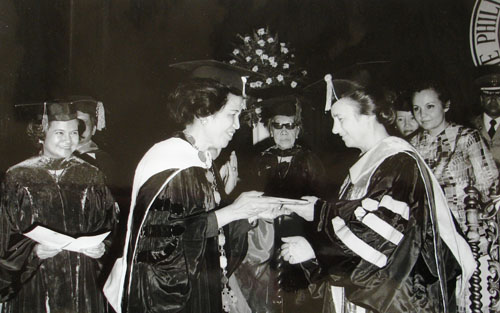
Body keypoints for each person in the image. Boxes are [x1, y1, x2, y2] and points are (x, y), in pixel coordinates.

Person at [279, 81, 475, 313]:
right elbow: (360, 216)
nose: (334, 129)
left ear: (368, 116)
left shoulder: (400, 162)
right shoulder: (373, 163)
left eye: (340, 119)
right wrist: (319, 210)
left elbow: (381, 233)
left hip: (400, 297)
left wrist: (316, 249)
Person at [103, 78, 282, 313]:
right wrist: (232, 211)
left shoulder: (201, 161)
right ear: (204, 114)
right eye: (232, 114)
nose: (237, 125)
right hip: (180, 301)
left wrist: (247, 214)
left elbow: (210, 235)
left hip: (202, 288)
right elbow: (161, 244)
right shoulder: (171, 163)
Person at [0, 100, 119, 313]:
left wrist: (103, 247)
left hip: (82, 279)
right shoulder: (18, 177)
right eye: (60, 133)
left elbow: (109, 224)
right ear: (41, 133)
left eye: (73, 133)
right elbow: (5, 235)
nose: (68, 140)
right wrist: (33, 251)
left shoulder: (91, 174)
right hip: (37, 280)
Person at [409, 80, 499, 312]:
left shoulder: (468, 138)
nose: (422, 114)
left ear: (446, 105)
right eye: (417, 109)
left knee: (472, 300)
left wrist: (486, 235)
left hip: (469, 236)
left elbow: (492, 189)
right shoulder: (411, 146)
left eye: (430, 106)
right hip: (430, 240)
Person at [235, 89, 325, 313]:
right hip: (265, 238)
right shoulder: (260, 159)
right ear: (270, 129)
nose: (284, 131)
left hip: (299, 235)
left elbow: (321, 201)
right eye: (278, 126)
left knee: (297, 298)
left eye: (290, 126)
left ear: (297, 129)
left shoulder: (309, 160)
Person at [470, 66, 500, 169]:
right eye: (488, 95)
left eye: (498, 95)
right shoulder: (468, 126)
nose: (493, 100)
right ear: (481, 99)